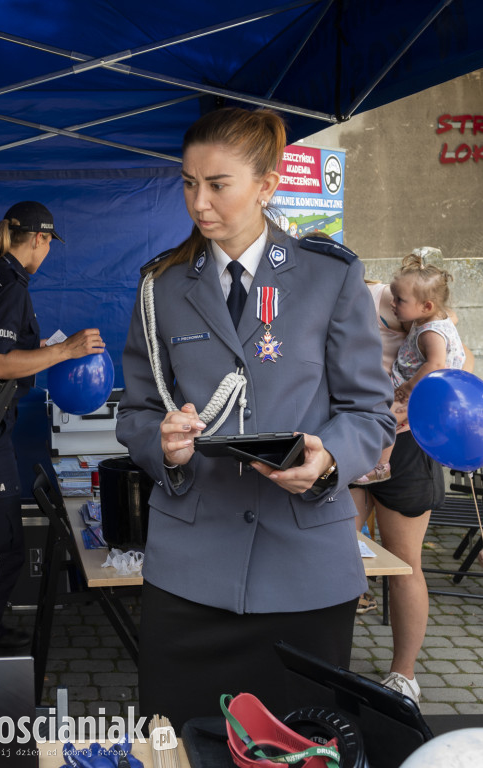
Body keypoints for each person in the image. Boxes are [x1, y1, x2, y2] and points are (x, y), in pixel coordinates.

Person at [116, 106, 395, 730]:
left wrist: (328, 464)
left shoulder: (330, 276)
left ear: (268, 184)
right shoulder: (160, 288)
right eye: (189, 183)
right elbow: (135, 408)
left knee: (299, 745)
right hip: (190, 573)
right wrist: (161, 444)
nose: (199, 202)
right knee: (180, 743)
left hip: (304, 572)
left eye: (218, 184)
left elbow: (368, 413)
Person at [0, 200, 106, 658]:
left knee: (3, 550)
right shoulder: (7, 283)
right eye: (47, 243)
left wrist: (37, 349)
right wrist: (65, 351)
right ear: (41, 239)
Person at [351, 251, 471, 705]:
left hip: (404, 443)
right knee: (337, 554)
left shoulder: (393, 299)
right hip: (352, 435)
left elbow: (454, 351)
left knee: (403, 563)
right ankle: (326, 659)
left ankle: (404, 676)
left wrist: (412, 392)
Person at [355, 254, 465, 485]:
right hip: (419, 386)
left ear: (426, 306)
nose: (392, 303)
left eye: (399, 300)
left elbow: (435, 364)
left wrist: (408, 387)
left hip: (421, 390)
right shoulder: (428, 318)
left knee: (388, 419)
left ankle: (381, 467)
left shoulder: (431, 332)